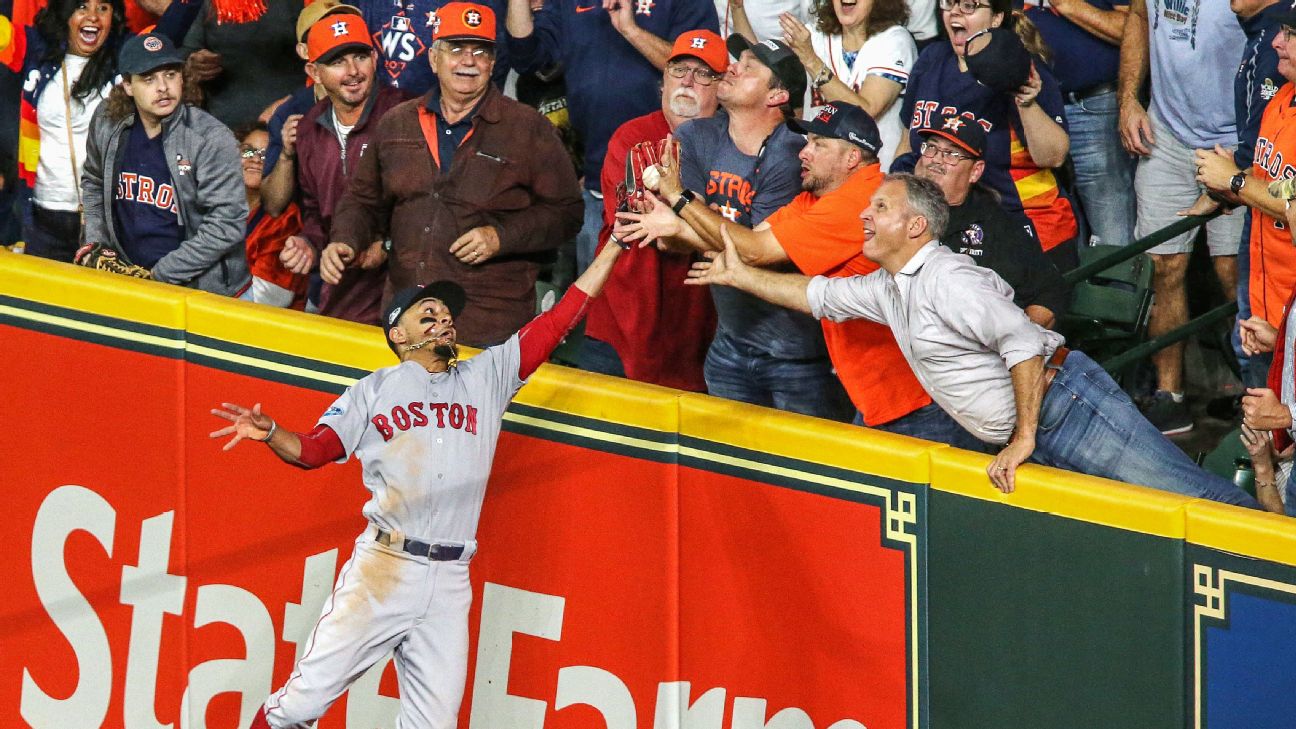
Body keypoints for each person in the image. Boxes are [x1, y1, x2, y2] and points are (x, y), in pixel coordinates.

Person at [214, 238, 625, 729]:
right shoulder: (376, 389)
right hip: (385, 568)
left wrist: (615, 246)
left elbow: (559, 320)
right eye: (428, 313)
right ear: (399, 333)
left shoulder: (486, 377)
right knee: (301, 705)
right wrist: (272, 433)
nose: (444, 319)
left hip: (451, 579)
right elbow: (317, 449)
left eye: (447, 314)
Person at [686, 173, 1261, 508]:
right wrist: (740, 275)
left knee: (1191, 500)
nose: (864, 215)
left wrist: (1023, 437)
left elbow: (1024, 343)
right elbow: (816, 296)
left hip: (1068, 409)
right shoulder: (891, 285)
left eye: (879, 207)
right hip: (1043, 423)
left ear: (915, 226)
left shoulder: (946, 279)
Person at [620, 101, 982, 446]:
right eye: (807, 141)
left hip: (922, 397)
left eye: (818, 144)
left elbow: (751, 252)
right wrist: (675, 228)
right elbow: (752, 243)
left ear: (851, 157)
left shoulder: (863, 199)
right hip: (878, 389)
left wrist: (681, 200)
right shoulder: (816, 196)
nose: (803, 152)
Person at [330, 2, 583, 347]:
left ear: (493, 63)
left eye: (480, 52)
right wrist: (345, 239)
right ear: (434, 59)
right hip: (407, 324)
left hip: (486, 328)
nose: (468, 61)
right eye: (456, 49)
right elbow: (361, 198)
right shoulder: (397, 122)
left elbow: (567, 213)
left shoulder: (529, 129)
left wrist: (501, 237)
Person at [646, 35, 853, 420]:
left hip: (798, 357)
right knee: (726, 471)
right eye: (737, 59)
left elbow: (758, 253)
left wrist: (680, 207)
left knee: (802, 475)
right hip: (730, 344)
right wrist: (683, 225)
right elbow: (670, 240)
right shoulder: (696, 135)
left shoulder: (795, 154)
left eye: (750, 66)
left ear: (777, 96)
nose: (731, 67)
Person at [504, 0, 719, 275]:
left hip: (674, 180)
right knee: (600, 298)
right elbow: (528, 56)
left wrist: (630, 30)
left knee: (677, 302)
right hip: (595, 178)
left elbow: (702, 70)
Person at [1118, 0, 1245, 435]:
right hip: (1167, 134)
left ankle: (1262, 393)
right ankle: (1169, 397)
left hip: (1238, 141)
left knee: (1236, 275)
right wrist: (1129, 99)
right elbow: (1137, 16)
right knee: (1163, 266)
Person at [580, 28, 726, 390]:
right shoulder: (631, 137)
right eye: (678, 69)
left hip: (699, 333)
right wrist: (710, 226)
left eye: (704, 73)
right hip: (620, 323)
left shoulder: (733, 143)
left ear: (722, 88)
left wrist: (684, 224)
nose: (688, 81)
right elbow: (645, 230)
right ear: (663, 80)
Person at [0, 0, 200, 261]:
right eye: (82, 7)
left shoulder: (127, 54)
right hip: (42, 216)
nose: (93, 16)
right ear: (66, 12)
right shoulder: (34, 47)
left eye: (103, 8)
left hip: (109, 219)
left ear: (113, 17)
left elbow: (170, 29)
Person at [897, 1, 1077, 272]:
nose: (955, 12)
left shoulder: (1017, 66)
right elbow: (906, 145)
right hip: (949, 223)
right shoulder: (931, 59)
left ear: (996, 18)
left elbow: (1053, 156)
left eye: (969, 5)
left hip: (1024, 222)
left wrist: (1026, 101)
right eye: (949, 3)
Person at [79, 32, 249, 295]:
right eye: (149, 79)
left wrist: (159, 275)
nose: (163, 88)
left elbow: (226, 224)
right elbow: (93, 181)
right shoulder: (107, 121)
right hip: (127, 279)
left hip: (203, 290)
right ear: (127, 85)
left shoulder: (210, 138)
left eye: (170, 74)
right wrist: (98, 242)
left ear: (182, 77)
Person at [276, 14, 408, 326]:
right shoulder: (309, 128)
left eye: (360, 57)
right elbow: (315, 214)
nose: (352, 71)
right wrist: (309, 244)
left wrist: (388, 246)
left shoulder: (407, 114)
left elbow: (435, 205)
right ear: (314, 72)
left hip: (409, 284)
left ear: (375, 58)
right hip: (347, 291)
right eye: (337, 61)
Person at [914, 114, 1068, 327]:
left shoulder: (996, 225)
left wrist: (1015, 345)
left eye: (952, 154)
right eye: (931, 148)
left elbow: (1049, 292)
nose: (936, 159)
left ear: (975, 172)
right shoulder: (894, 209)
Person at [1024, 0, 1133, 251]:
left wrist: (1067, 5)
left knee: (1112, 235)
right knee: (1055, 230)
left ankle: (1120, 291)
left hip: (1090, 105)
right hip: (1031, 109)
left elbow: (1135, 29)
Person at [769, 0, 917, 168]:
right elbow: (761, 68)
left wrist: (811, 60)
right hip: (817, 169)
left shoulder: (895, 40)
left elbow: (864, 112)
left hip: (870, 174)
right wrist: (738, 12)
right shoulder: (815, 33)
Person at [180, 0, 305, 128]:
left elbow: (322, 57)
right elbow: (184, 51)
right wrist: (193, 62)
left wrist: (295, 99)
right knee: (249, 149)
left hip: (290, 119)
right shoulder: (207, 4)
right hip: (225, 126)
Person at [236, 122, 308, 308]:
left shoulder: (286, 221)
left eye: (265, 154)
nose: (256, 159)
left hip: (262, 325)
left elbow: (269, 298)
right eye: (248, 151)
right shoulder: (218, 204)